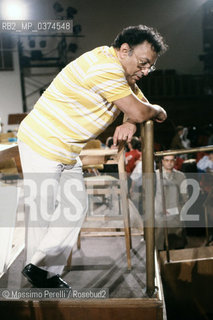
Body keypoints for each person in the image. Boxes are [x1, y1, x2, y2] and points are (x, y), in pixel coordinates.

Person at [17, 24, 168, 288]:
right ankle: (40, 278)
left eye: (150, 67)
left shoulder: (122, 73)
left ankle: (39, 270)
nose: (145, 72)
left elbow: (148, 112)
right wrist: (141, 114)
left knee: (75, 208)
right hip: (41, 142)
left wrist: (131, 121)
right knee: (44, 211)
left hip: (68, 148)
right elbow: (146, 111)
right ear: (124, 51)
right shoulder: (104, 67)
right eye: (143, 64)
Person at [154, 155, 188, 250]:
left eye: (171, 160)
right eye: (167, 160)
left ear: (175, 161)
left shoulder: (180, 176)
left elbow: (185, 197)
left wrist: (178, 210)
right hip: (159, 213)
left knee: (177, 245)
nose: (169, 163)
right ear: (162, 161)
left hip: (175, 214)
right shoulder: (155, 175)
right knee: (159, 244)